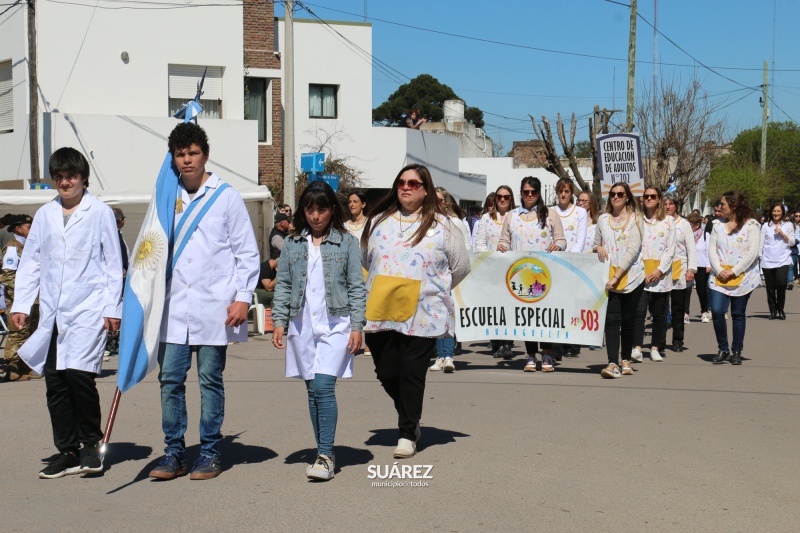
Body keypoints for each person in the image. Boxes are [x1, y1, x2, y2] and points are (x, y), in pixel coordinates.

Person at [149, 123, 260, 481]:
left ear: (205, 155)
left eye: (193, 153)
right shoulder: (166, 196)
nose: (187, 160)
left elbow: (247, 252)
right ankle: (174, 453)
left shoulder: (225, 196)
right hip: (173, 307)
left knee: (210, 379)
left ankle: (210, 452)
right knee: (170, 381)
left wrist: (243, 298)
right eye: (180, 154)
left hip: (216, 307)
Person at [11, 147, 123, 478]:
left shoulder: (100, 212)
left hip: (88, 307)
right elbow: (31, 262)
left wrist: (111, 307)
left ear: (83, 177)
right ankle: (67, 450)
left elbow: (113, 264)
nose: (65, 182)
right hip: (53, 311)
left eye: (71, 176)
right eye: (59, 177)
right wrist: (20, 304)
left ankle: (91, 446)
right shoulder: (45, 214)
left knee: (80, 376)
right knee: (56, 382)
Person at [361, 163, 470, 459]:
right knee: (386, 371)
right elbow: (366, 258)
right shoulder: (378, 220)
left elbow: (461, 266)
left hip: (424, 312)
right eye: (401, 183)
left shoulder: (442, 226)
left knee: (411, 372)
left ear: (425, 190)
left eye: (413, 183)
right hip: (381, 309)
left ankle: (408, 431)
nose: (406, 187)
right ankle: (410, 415)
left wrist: (435, 288)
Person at [271, 181, 366, 481]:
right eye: (310, 209)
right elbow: (284, 284)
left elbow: (356, 287)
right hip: (302, 325)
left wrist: (357, 326)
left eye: (322, 209)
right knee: (312, 390)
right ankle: (322, 451)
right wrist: (279, 320)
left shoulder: (346, 242)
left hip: (336, 324)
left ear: (332, 210)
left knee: (324, 387)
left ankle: (326, 455)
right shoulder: (293, 243)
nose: (315, 216)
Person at [497, 177, 566, 372]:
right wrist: (502, 246)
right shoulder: (511, 215)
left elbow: (561, 239)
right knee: (527, 316)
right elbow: (505, 240)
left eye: (533, 192)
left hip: (544, 273)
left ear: (538, 193)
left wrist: (558, 245)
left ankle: (546, 354)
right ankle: (530, 355)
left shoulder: (550, 214)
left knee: (544, 315)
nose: (529, 195)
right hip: (520, 274)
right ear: (521, 193)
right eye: (526, 192)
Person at [593, 182, 644, 378]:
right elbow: (595, 243)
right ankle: (612, 362)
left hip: (631, 277)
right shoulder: (603, 219)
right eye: (613, 194)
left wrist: (617, 277)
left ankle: (626, 359)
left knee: (628, 320)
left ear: (627, 197)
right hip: (608, 278)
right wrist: (599, 249)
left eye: (620, 194)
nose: (616, 197)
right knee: (612, 320)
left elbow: (632, 251)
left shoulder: (636, 219)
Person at [708, 192, 760, 365]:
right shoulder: (717, 225)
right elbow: (712, 250)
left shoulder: (751, 225)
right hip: (719, 275)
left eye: (723, 204)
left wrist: (735, 271)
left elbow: (752, 252)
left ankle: (737, 350)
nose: (720, 206)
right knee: (716, 310)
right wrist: (719, 269)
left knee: (738, 313)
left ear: (734, 206)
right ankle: (723, 348)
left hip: (742, 276)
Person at [428, 188, 472, 373]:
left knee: (449, 318)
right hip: (431, 280)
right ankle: (439, 356)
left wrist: (452, 278)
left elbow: (466, 248)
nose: (438, 203)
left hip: (450, 278)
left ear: (445, 202)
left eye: (441, 200)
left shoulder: (454, 223)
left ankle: (449, 356)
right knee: (436, 318)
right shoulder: (426, 223)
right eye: (434, 200)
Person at [632, 187, 675, 363]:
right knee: (639, 312)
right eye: (646, 196)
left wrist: (659, 271)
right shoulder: (636, 220)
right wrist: (642, 272)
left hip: (661, 276)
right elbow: (633, 247)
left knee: (659, 314)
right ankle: (637, 348)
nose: (649, 199)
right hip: (640, 273)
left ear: (659, 200)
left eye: (653, 196)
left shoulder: (668, 222)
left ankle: (656, 347)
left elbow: (670, 250)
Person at [474, 186, 515, 358]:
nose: (503, 199)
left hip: (511, 268)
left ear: (511, 198)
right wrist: (488, 258)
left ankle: (508, 344)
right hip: (491, 269)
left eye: (506, 196)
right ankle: (497, 342)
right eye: (499, 196)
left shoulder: (517, 217)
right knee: (493, 307)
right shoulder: (486, 218)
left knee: (509, 307)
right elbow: (480, 242)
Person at [2, 214, 42, 381]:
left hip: (35, 299)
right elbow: (8, 276)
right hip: (18, 300)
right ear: (18, 229)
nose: (32, 230)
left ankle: (25, 367)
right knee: (18, 333)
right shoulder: (12, 248)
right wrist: (22, 294)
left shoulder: (30, 246)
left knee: (31, 332)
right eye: (28, 227)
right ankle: (13, 368)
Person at [664, 193, 696, 352]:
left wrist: (691, 269)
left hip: (680, 268)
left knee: (677, 307)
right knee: (661, 308)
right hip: (662, 269)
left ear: (676, 205)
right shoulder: (660, 223)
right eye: (665, 204)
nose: (667, 206)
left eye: (670, 203)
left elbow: (691, 248)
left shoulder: (684, 224)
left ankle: (677, 339)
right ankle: (659, 340)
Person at [759, 202, 795, 320]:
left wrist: (782, 233)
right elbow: (761, 243)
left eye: (778, 211)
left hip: (783, 259)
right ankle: (773, 310)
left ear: (782, 213)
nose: (776, 213)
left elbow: (792, 242)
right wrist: (759, 257)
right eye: (774, 211)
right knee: (770, 287)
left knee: (781, 284)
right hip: (767, 260)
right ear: (771, 212)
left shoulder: (788, 225)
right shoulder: (765, 226)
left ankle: (781, 309)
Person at [688, 212, 711, 323]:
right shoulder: (686, 235)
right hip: (688, 266)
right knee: (686, 291)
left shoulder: (705, 235)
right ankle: (685, 313)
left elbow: (708, 251)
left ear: (697, 225)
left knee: (701, 291)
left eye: (690, 224)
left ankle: (704, 312)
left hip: (701, 265)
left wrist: (708, 264)